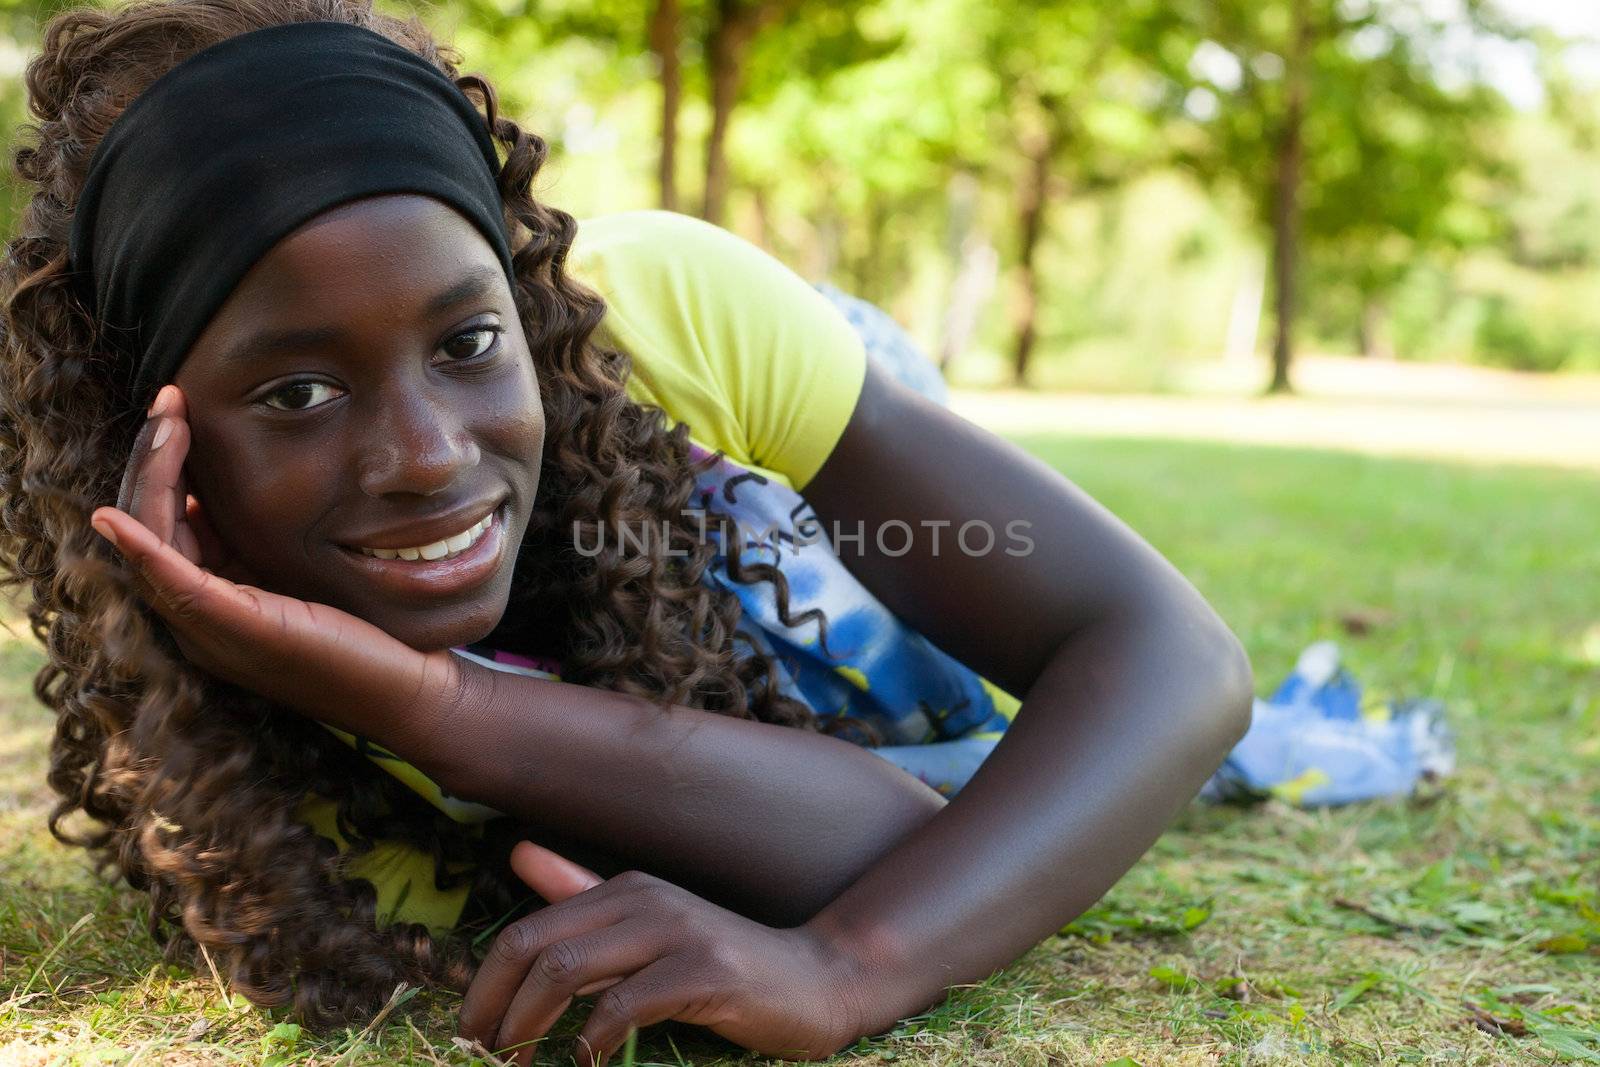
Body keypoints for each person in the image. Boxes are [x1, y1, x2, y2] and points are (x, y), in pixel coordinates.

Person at [0, 1, 1254, 1064]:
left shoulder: (658, 316)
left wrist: (843, 967)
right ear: (158, 446)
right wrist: (415, 707)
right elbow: (885, 841)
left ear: (520, 295)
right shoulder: (237, 742)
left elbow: (1166, 655)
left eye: (466, 341)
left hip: (788, 426)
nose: (427, 455)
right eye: (297, 393)